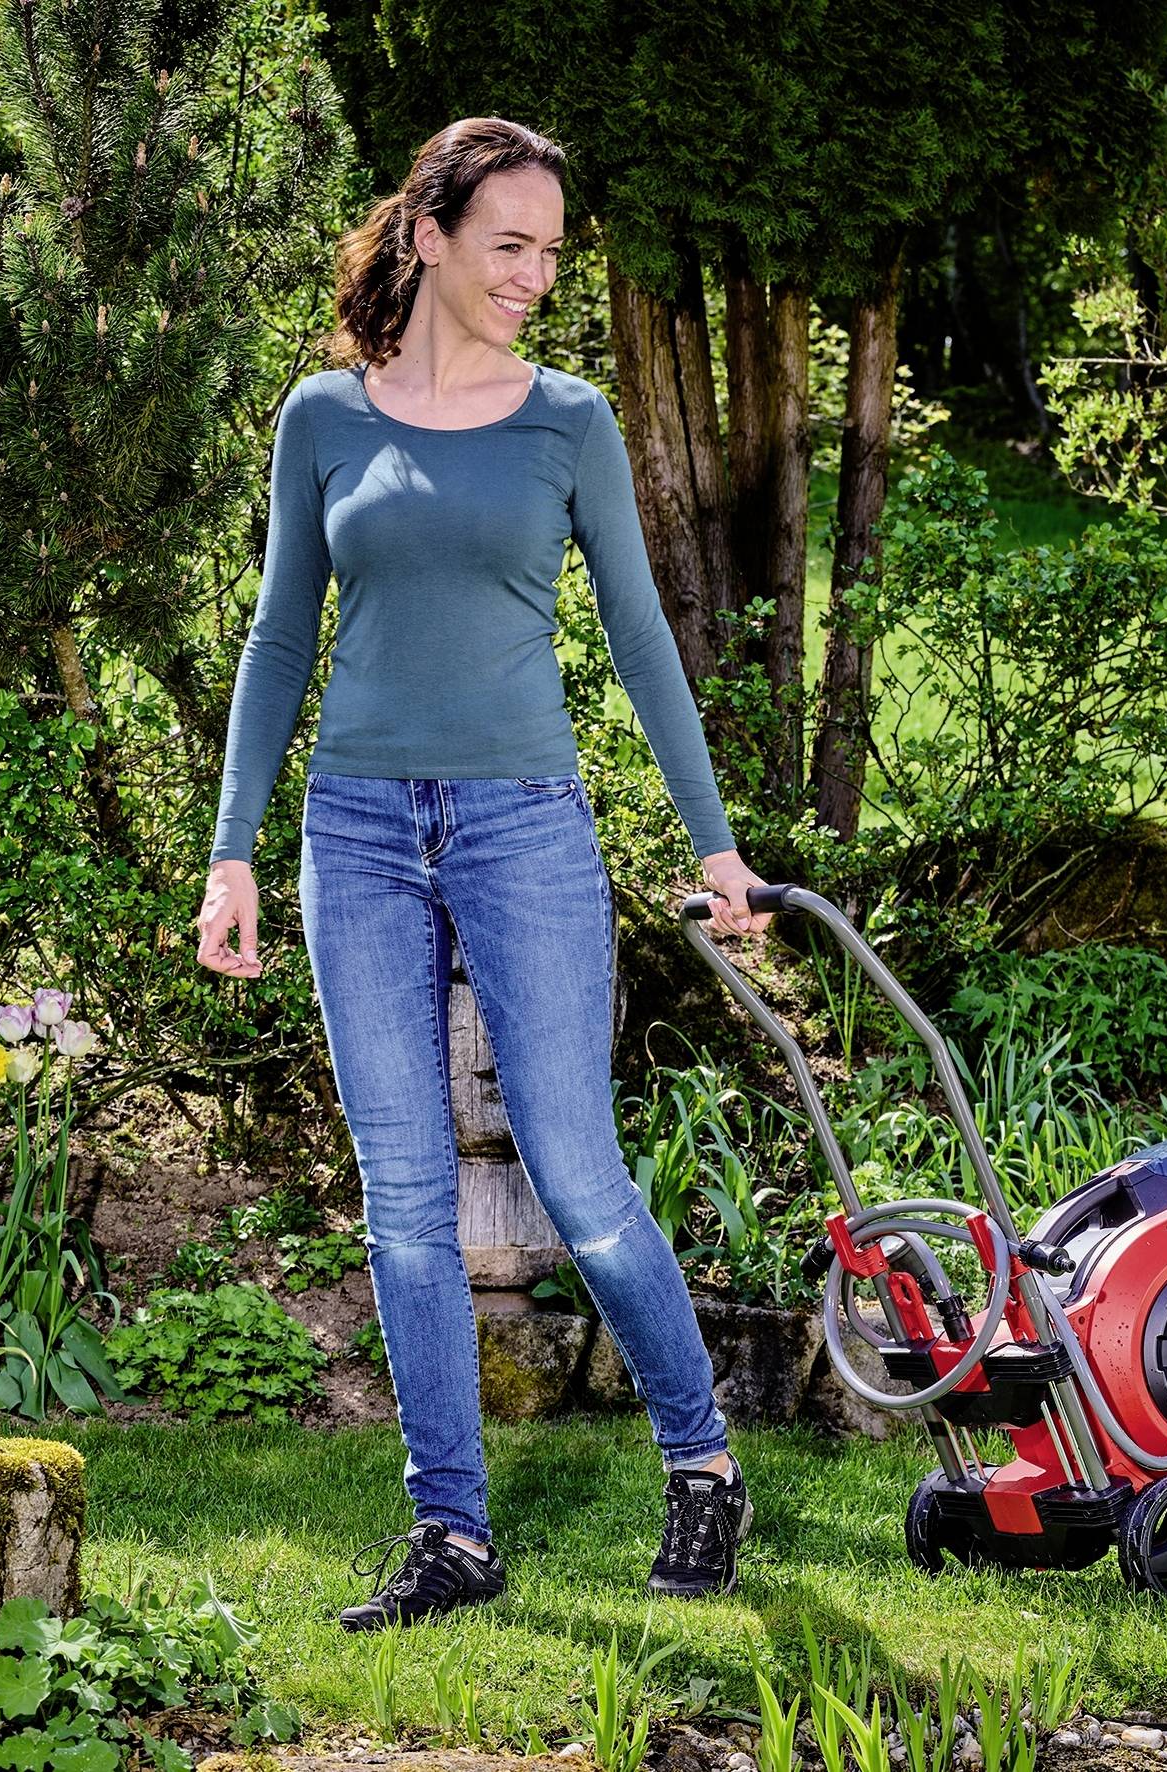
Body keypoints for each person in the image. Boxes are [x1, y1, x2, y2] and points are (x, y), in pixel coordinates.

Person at [194, 116, 775, 1630]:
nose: (533, 275)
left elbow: (644, 641)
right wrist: (232, 849)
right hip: (359, 832)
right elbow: (277, 637)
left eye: (551, 252)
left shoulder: (567, 419)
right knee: (402, 1200)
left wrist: (714, 843)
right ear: (431, 235)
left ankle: (702, 1464)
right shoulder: (323, 415)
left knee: (578, 1182)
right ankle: (452, 1535)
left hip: (525, 823)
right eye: (509, 244)